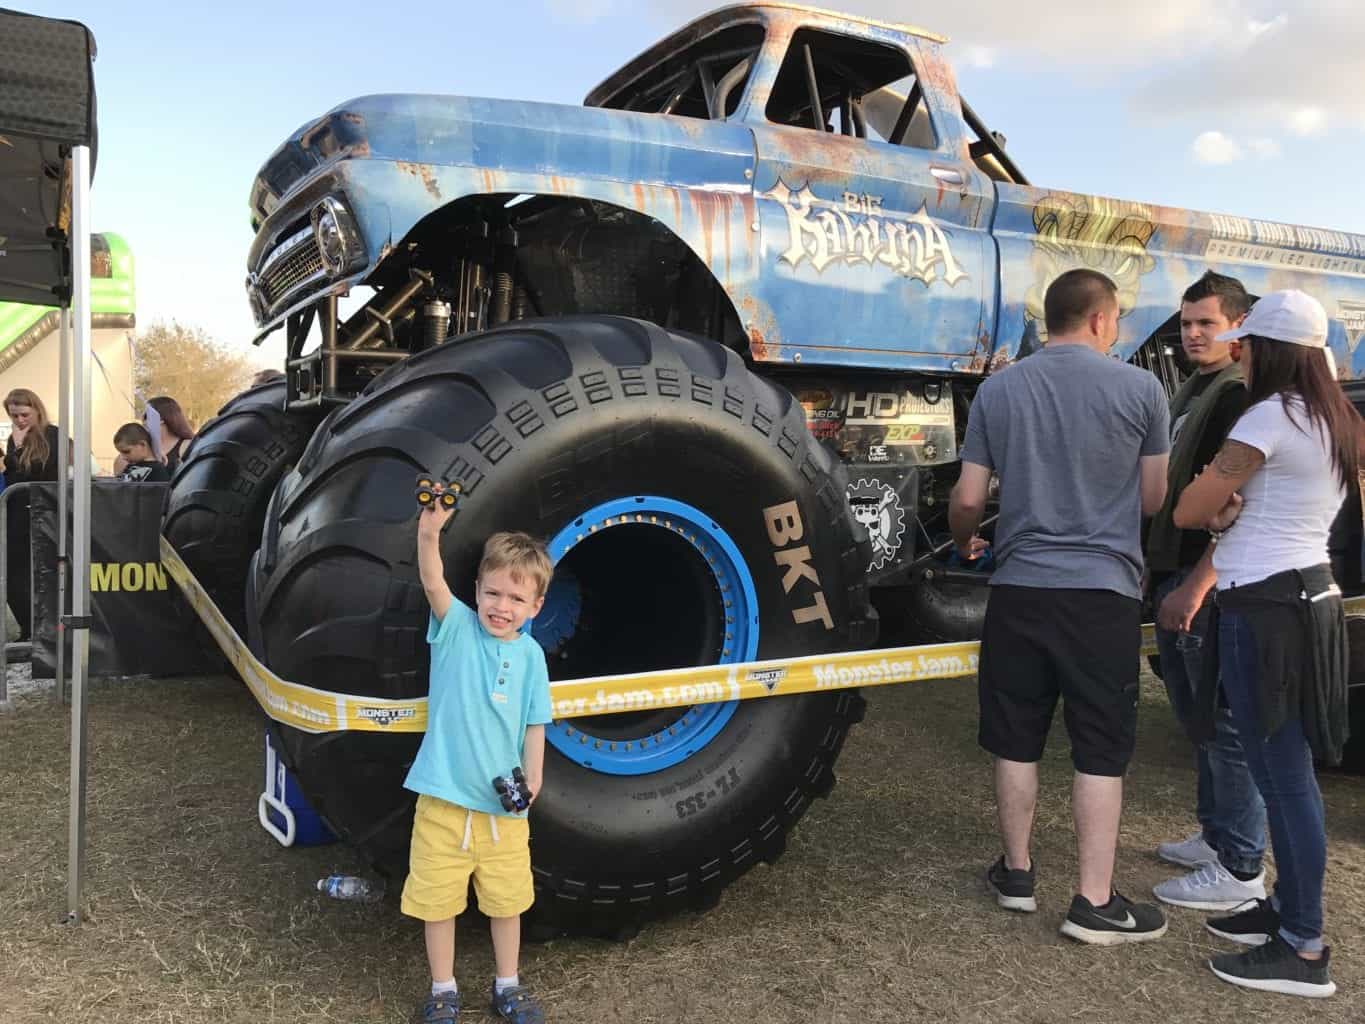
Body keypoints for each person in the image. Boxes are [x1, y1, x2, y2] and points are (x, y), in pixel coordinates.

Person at [949, 268, 1171, 944]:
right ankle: (1093, 900)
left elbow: (965, 499)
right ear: (1103, 320)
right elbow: (1153, 499)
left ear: (1050, 319)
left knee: (1015, 734)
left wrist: (968, 541)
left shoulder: (999, 388)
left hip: (1019, 588)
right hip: (1101, 591)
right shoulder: (1141, 388)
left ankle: (1016, 874)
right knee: (1098, 749)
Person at [1175, 289, 1356, 998]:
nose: (1236, 352)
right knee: (1282, 771)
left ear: (1268, 351)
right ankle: (1284, 912)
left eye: (1244, 344)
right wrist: (1224, 514)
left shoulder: (1267, 416)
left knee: (1282, 776)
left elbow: (1190, 506)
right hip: (1305, 593)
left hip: (1268, 605)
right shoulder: (1333, 417)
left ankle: (1303, 945)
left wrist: (1216, 509)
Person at [403, 486, 553, 1024]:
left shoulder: (533, 656)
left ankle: (507, 985)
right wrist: (429, 530)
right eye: (493, 593)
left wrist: (533, 777)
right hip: (442, 802)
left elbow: (536, 722)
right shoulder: (456, 628)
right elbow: (430, 579)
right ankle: (443, 991)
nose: (501, 607)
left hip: (504, 812)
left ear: (536, 607)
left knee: (507, 902)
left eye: (516, 599)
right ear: (477, 590)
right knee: (437, 903)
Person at [1144, 272, 1267, 911]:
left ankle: (1241, 867)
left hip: (1209, 581)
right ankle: (1217, 837)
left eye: (1206, 324)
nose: (1192, 334)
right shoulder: (1195, 390)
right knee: (1198, 719)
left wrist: (1197, 583)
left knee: (1225, 724)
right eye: (1187, 323)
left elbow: (1238, 505)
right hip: (1176, 567)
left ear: (1238, 328)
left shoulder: (1238, 398)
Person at [3, 388, 60, 641]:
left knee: (41, 572)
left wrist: (16, 456)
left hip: (44, 511)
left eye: (24, 414)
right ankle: (28, 628)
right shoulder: (14, 440)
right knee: (12, 573)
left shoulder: (53, 436)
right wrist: (15, 451)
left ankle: (45, 630)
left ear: (37, 410)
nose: (20, 421)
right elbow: (14, 476)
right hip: (17, 513)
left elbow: (44, 473)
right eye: (14, 415)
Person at [145, 396, 195, 473]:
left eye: (146, 416)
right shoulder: (143, 446)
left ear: (161, 419)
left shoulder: (186, 446)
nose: (143, 421)